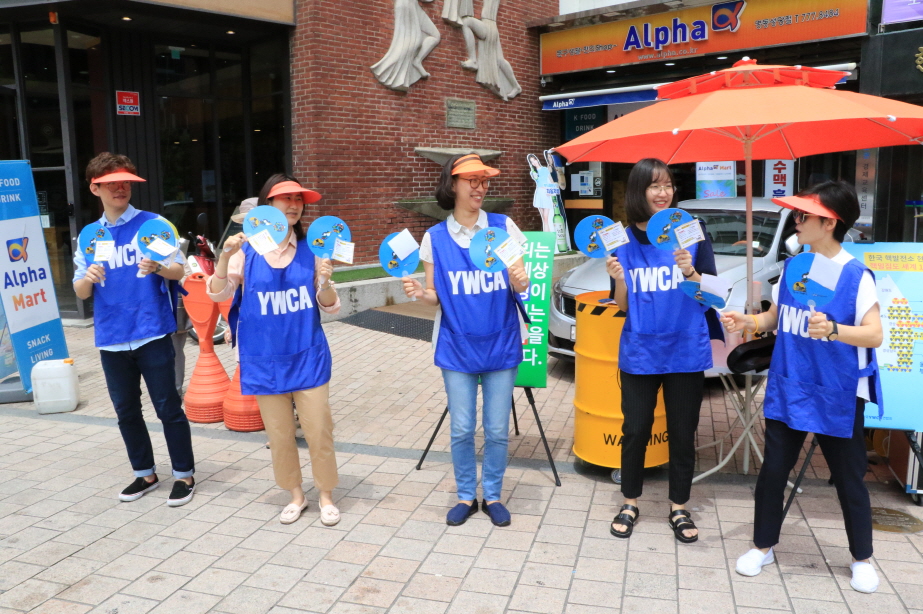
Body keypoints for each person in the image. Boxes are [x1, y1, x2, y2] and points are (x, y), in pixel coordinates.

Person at [721, 181, 884, 593]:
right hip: (790, 383)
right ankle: (762, 546)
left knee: (848, 478)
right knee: (773, 471)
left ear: (830, 223)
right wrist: (749, 322)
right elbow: (776, 317)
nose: (796, 220)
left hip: (837, 391)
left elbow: (874, 334)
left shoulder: (856, 275)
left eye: (804, 214)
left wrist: (833, 329)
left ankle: (862, 558)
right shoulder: (794, 266)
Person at [403, 153, 530, 527]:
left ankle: (492, 495)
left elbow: (520, 283)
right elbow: (435, 295)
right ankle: (464, 495)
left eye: (484, 180)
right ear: (453, 184)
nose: (480, 187)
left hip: (500, 343)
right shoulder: (435, 238)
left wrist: (520, 279)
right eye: (472, 180)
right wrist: (420, 293)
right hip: (456, 345)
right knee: (461, 428)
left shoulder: (503, 228)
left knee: (496, 429)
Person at [208, 174, 342, 526]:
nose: (295, 205)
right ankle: (296, 495)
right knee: (280, 435)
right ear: (268, 204)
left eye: (299, 199)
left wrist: (325, 281)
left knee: (319, 431)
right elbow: (218, 294)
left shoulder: (313, 249)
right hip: (264, 360)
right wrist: (224, 257)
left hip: (307, 355)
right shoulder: (246, 251)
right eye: (286, 198)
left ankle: (326, 494)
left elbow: (330, 306)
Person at [73, 152, 195, 506]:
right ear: (95, 188)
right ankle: (145, 473)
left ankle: (184, 475)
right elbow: (80, 291)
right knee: (126, 411)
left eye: (126, 182)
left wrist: (158, 267)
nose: (121, 188)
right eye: (112, 183)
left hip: (152, 330)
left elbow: (179, 270)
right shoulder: (89, 235)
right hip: (111, 337)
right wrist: (88, 278)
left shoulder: (152, 224)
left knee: (168, 407)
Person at [605, 158, 717, 543]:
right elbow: (622, 305)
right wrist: (620, 280)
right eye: (655, 185)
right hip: (640, 351)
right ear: (639, 191)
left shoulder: (691, 231)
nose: (663, 192)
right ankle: (630, 502)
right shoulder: (620, 240)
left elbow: (711, 295)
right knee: (635, 429)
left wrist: (690, 271)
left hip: (685, 349)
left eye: (668, 185)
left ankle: (679, 506)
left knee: (682, 432)